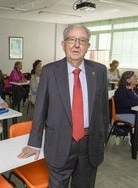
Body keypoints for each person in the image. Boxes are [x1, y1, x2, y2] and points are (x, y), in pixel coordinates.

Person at [18, 24, 109, 188]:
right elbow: (40, 110)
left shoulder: (100, 70)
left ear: (88, 46)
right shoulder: (49, 71)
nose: (76, 44)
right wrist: (34, 142)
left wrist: (102, 137)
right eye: (71, 39)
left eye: (82, 40)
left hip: (90, 142)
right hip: (59, 141)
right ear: (63, 44)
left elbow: (103, 108)